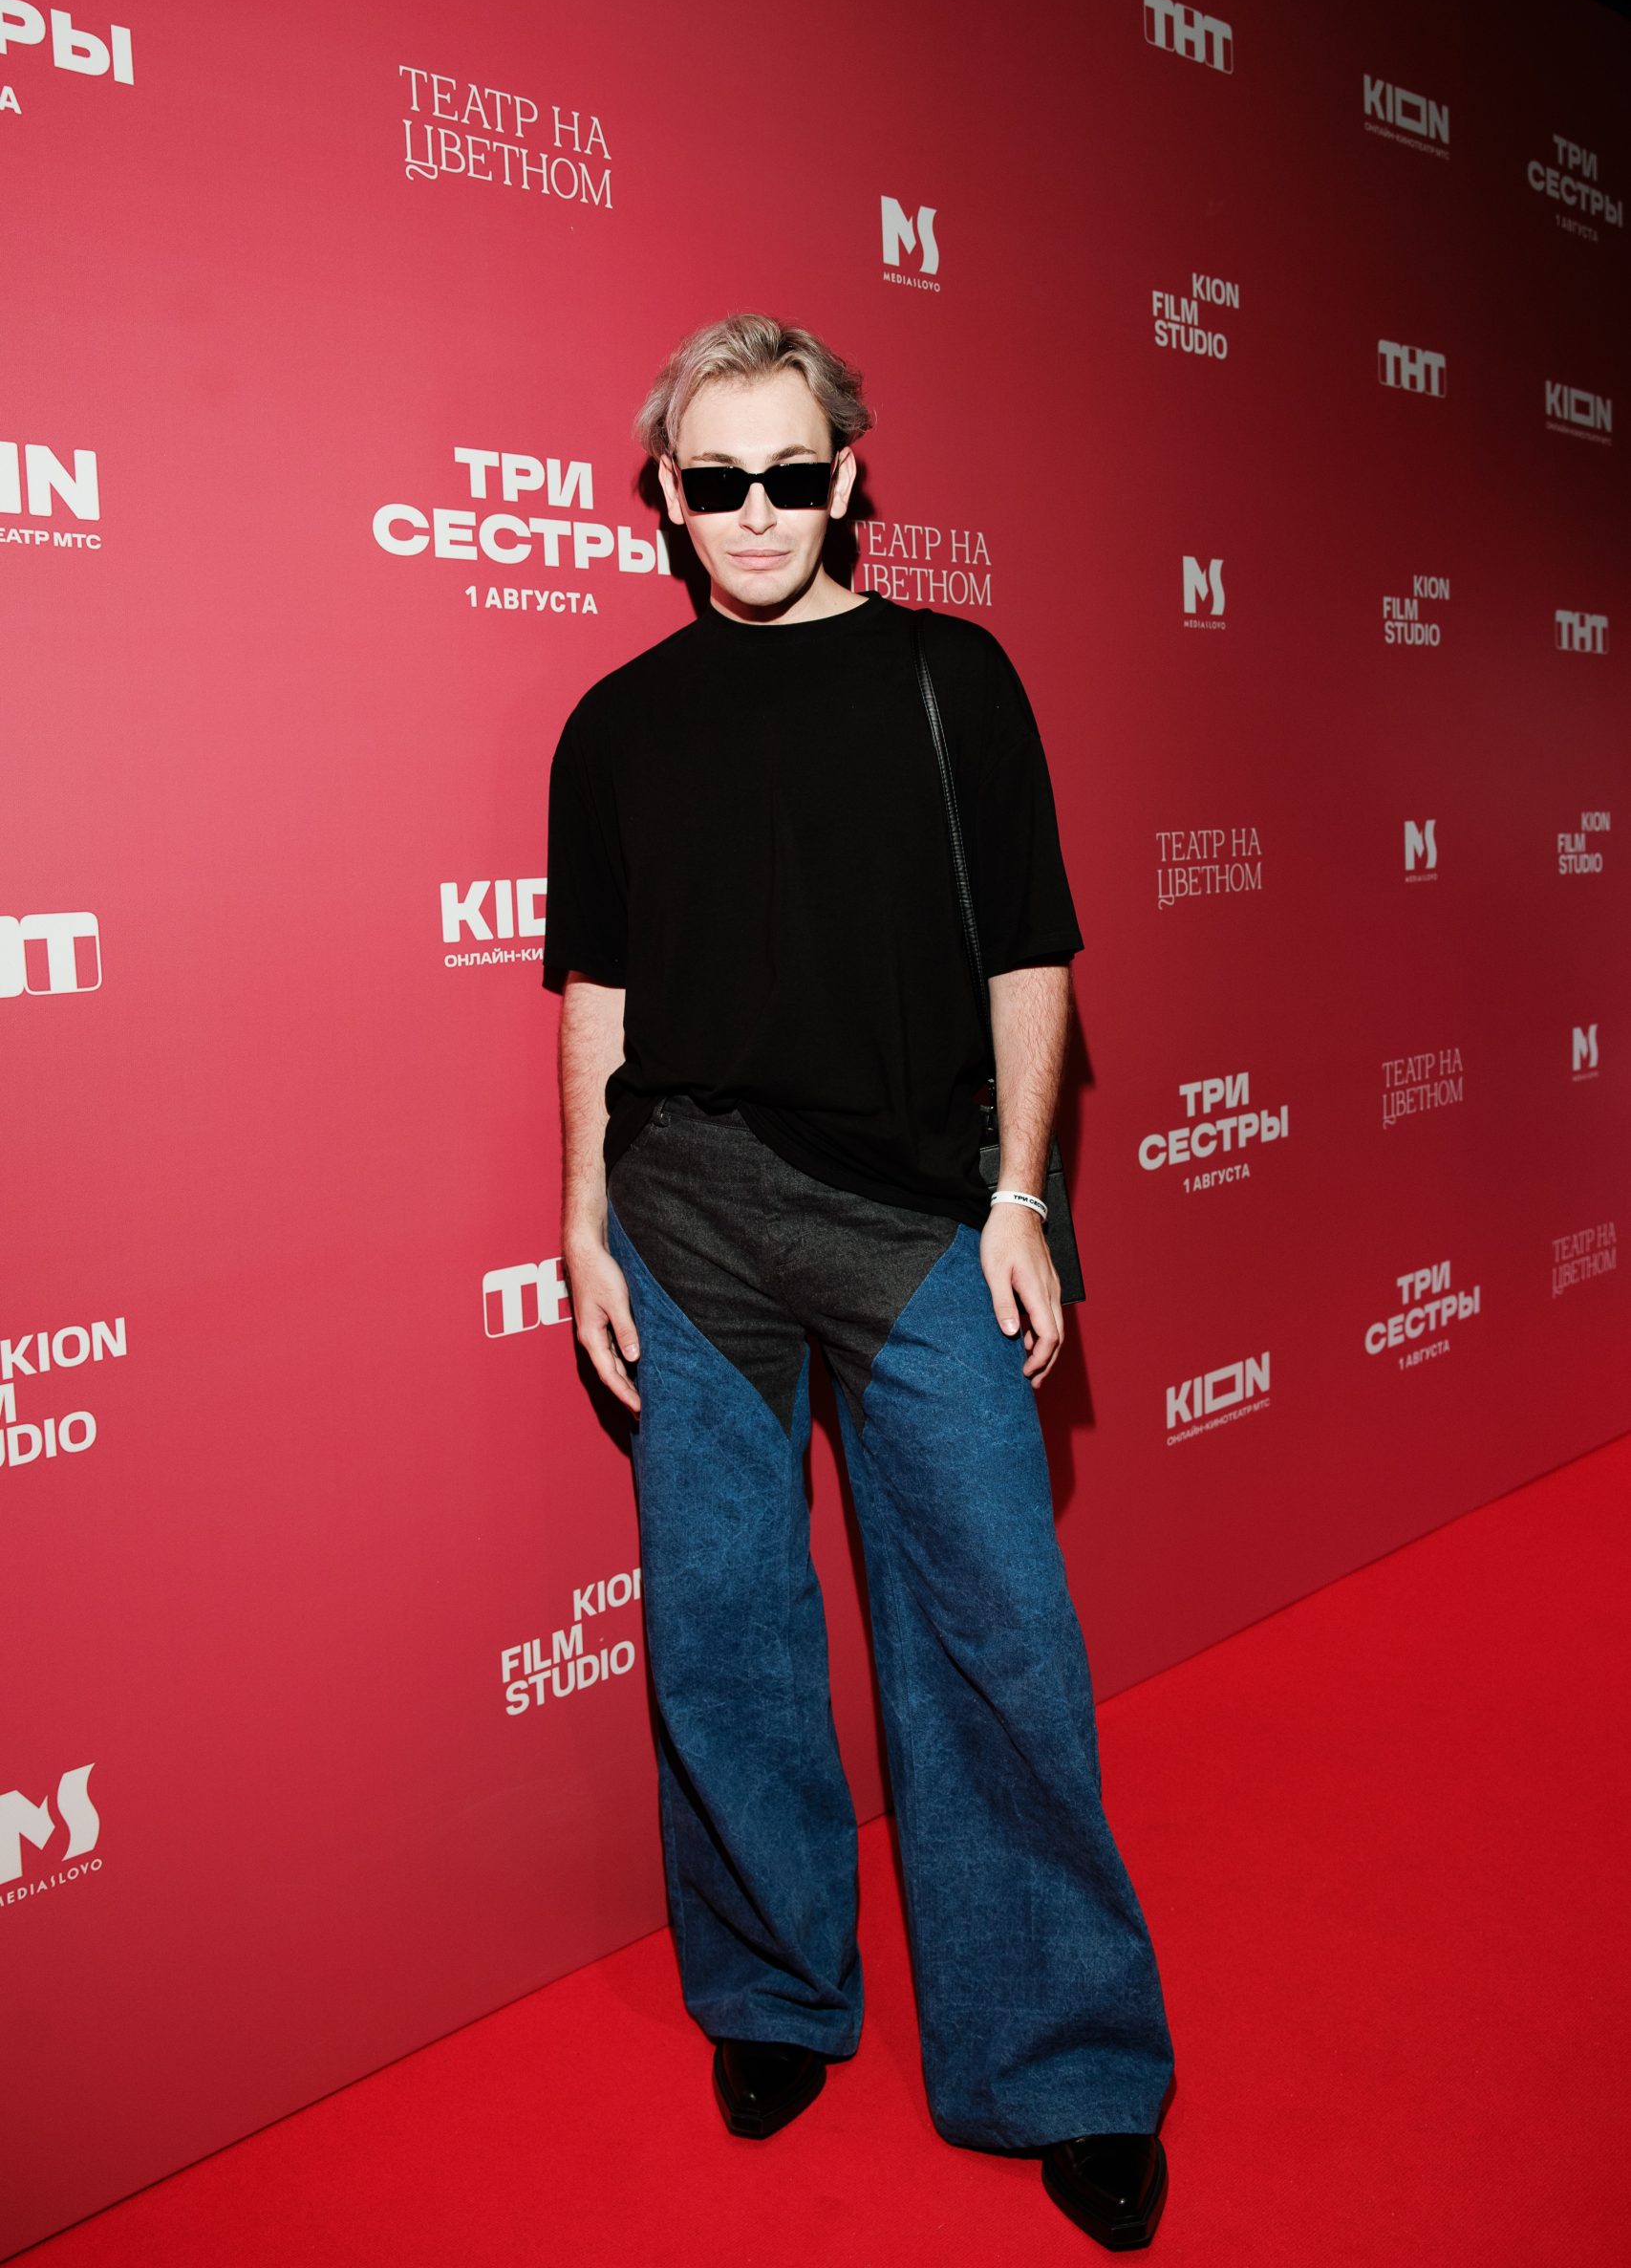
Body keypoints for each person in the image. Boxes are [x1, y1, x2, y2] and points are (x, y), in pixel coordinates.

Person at [543, 313, 1176, 2249]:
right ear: (666, 494)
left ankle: (1059, 2059)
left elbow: (1029, 957)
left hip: (914, 1219)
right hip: (689, 1215)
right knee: (723, 1626)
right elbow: (596, 991)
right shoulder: (614, 724)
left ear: (849, 476)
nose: (757, 511)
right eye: (717, 479)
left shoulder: (949, 677)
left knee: (995, 1633)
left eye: (792, 473)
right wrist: (582, 1208)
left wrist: (1021, 1195)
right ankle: (770, 1988)